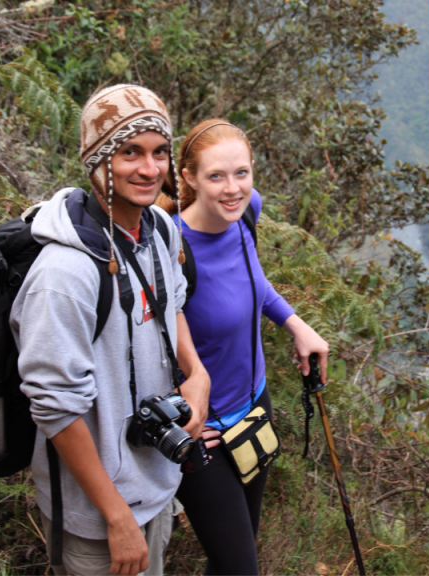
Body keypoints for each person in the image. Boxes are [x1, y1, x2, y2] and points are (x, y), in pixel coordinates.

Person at [10, 84, 211, 576]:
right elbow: (56, 407)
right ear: (99, 160)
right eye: (129, 153)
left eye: (160, 151)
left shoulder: (159, 230)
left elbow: (173, 305)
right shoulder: (63, 276)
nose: (149, 168)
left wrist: (196, 372)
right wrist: (116, 517)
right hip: (97, 517)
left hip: (154, 487)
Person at [154, 119, 330, 575]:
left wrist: (296, 324)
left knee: (235, 554)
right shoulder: (169, 249)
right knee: (240, 568)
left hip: (255, 409)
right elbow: (149, 343)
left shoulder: (246, 211)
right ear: (189, 177)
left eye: (242, 173)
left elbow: (254, 281)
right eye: (216, 176)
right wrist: (183, 415)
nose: (233, 188)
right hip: (204, 432)